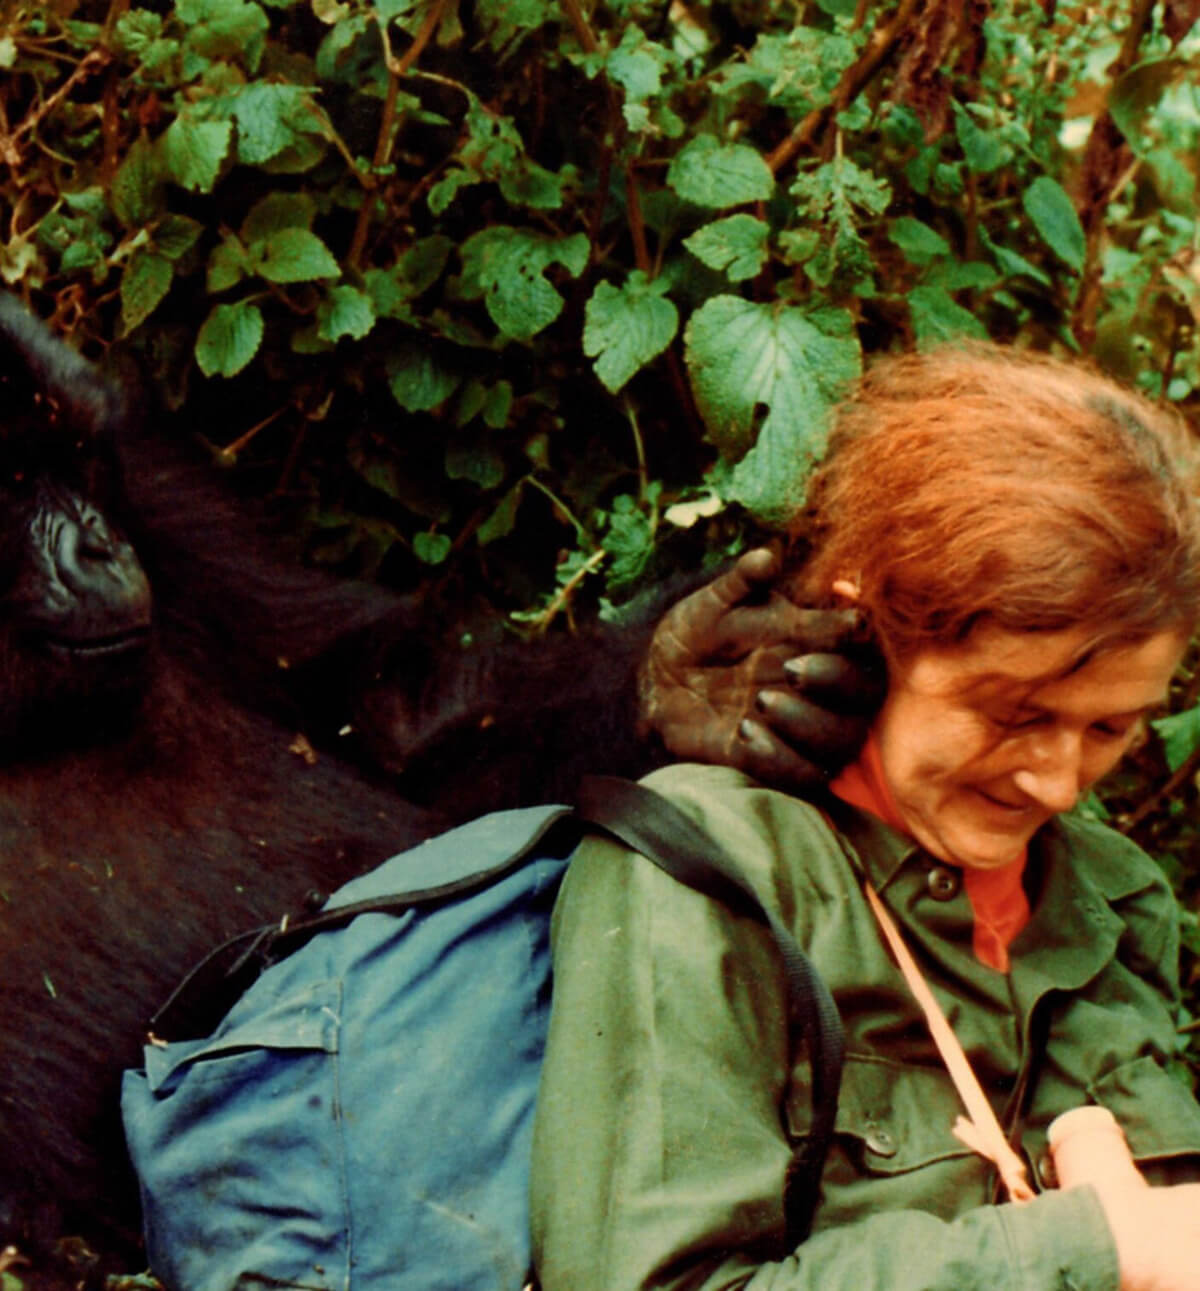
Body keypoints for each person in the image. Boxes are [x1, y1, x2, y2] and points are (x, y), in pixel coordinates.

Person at [530, 344, 1200, 1291]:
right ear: (868, 621)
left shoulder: (1113, 896)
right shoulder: (708, 875)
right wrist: (1102, 1249)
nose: (1057, 782)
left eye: (1111, 728)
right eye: (1015, 714)